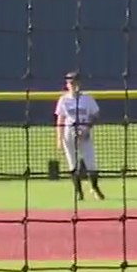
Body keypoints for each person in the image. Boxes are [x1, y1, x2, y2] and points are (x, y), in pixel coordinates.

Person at [54, 72, 105, 201]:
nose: (73, 85)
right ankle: (78, 192)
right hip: (69, 135)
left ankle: (94, 187)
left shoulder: (88, 99)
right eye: (70, 83)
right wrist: (59, 138)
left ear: (79, 83)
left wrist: (87, 128)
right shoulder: (63, 100)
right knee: (73, 164)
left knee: (91, 163)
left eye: (75, 82)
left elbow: (95, 115)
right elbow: (60, 119)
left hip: (85, 134)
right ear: (67, 85)